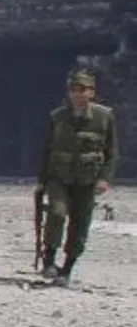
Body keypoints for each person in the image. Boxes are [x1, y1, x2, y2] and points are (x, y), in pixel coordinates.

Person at [37, 67, 117, 285]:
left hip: (87, 179)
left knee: (80, 223)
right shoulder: (58, 117)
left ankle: (67, 268)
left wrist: (104, 178)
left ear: (91, 92)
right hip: (59, 177)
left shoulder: (104, 116)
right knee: (57, 213)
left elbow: (111, 151)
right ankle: (49, 261)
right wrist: (41, 181)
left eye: (82, 89)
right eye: (73, 89)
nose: (77, 94)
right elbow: (47, 149)